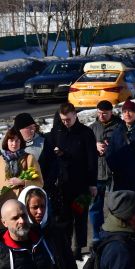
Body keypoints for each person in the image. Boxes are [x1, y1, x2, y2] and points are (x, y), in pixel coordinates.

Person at [40, 102, 98, 260]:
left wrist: (92, 184)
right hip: (61, 186)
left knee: (80, 217)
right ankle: (65, 248)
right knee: (63, 218)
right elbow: (45, 160)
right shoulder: (54, 134)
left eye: (68, 119)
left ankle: (78, 248)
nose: (66, 122)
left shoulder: (86, 133)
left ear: (75, 115)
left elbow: (92, 160)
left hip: (82, 185)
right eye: (63, 119)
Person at [89, 100, 122, 245]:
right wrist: (94, 146)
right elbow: (86, 150)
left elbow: (126, 146)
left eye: (105, 113)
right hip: (97, 173)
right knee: (95, 207)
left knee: (115, 205)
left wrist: (112, 146)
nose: (101, 116)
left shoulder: (119, 126)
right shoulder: (92, 128)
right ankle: (97, 236)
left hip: (114, 172)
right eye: (99, 113)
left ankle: (114, 233)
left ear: (111, 112)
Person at [105, 100, 135, 197]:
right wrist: (115, 168)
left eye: (130, 111)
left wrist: (134, 169)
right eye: (125, 112)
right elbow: (110, 152)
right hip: (119, 176)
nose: (127, 114)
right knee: (121, 206)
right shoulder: (118, 130)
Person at [0, 127, 43, 204]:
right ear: (7, 142)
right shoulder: (1, 159)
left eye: (17, 141)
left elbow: (39, 183)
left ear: (21, 142)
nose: (14, 144)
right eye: (11, 140)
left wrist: (23, 182)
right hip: (4, 204)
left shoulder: (29, 158)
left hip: (23, 201)